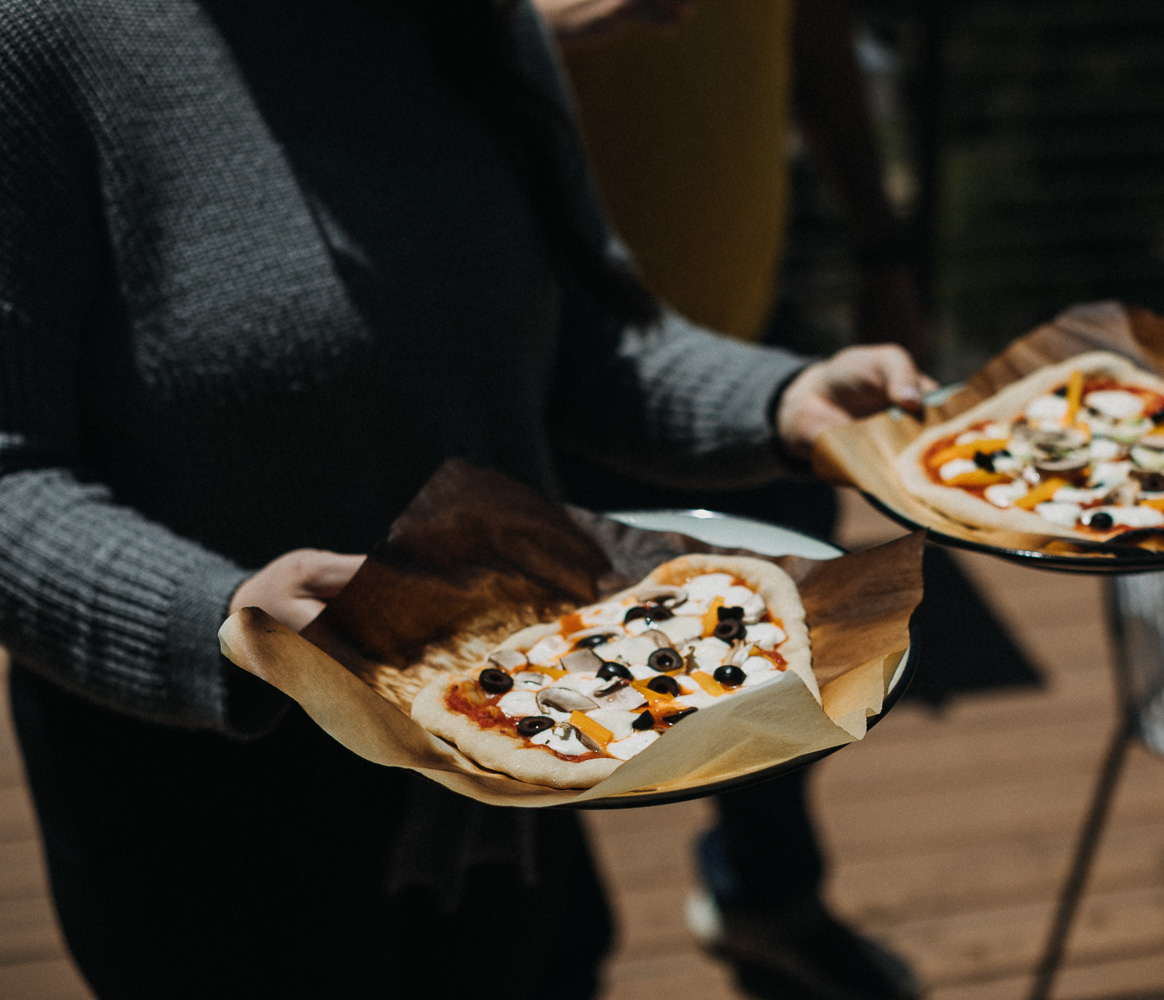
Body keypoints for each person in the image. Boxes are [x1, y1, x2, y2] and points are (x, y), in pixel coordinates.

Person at [0, 1, 932, 997]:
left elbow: (588, 340)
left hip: (507, 768)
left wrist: (782, 400)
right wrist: (217, 619)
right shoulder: (43, 42)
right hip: (212, 816)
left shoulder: (476, 21)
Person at [530, 3, 926, 998]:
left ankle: (768, 901)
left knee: (783, 680)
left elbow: (813, 35)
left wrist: (882, 250)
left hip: (753, 349)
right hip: (535, 379)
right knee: (543, 731)